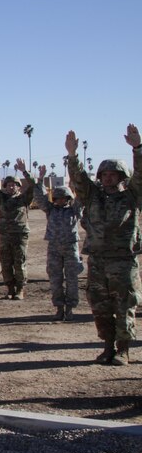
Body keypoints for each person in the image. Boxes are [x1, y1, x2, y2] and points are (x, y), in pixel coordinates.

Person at [67, 125, 142, 365]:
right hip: (97, 259)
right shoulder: (92, 195)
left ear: (122, 177)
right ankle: (107, 346)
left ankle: (123, 350)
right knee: (100, 306)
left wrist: (138, 149)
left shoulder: (131, 195)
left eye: (114, 174)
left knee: (124, 304)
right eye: (105, 174)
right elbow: (78, 179)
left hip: (123, 260)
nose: (108, 178)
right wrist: (72, 155)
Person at [34, 165, 83, 321]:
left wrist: (75, 178)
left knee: (72, 279)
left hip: (71, 248)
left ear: (69, 198)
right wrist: (40, 179)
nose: (61, 200)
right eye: (57, 198)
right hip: (54, 248)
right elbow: (40, 197)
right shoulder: (50, 210)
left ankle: (70, 308)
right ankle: (59, 307)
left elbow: (82, 196)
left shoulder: (74, 210)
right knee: (55, 279)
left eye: (64, 198)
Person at [0, 161, 35, 300]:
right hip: (4, 235)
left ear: (19, 187)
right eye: (8, 184)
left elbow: (34, 186)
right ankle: (10, 289)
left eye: (14, 184)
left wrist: (25, 172)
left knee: (19, 261)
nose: (11, 186)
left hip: (20, 235)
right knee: (5, 262)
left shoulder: (24, 199)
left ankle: (20, 289)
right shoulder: (1, 198)